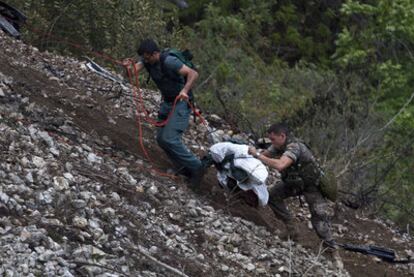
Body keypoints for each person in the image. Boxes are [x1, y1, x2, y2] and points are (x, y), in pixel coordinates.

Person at [248, 123, 336, 247]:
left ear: (282, 136)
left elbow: (280, 165)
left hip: (312, 186)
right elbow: (265, 155)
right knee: (272, 196)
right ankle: (292, 230)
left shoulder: (294, 146)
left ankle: (331, 249)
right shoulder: (278, 146)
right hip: (294, 183)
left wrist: (257, 155)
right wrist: (252, 153)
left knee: (319, 218)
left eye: (273, 139)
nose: (271, 142)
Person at [130, 39, 204, 185]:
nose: (145, 60)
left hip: (182, 102)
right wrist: (127, 67)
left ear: (155, 53)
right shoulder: (147, 61)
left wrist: (184, 90)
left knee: (170, 138)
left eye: (148, 57)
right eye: (144, 57)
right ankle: (183, 166)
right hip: (168, 102)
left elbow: (193, 74)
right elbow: (131, 73)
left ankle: (197, 167)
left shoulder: (170, 61)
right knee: (161, 139)